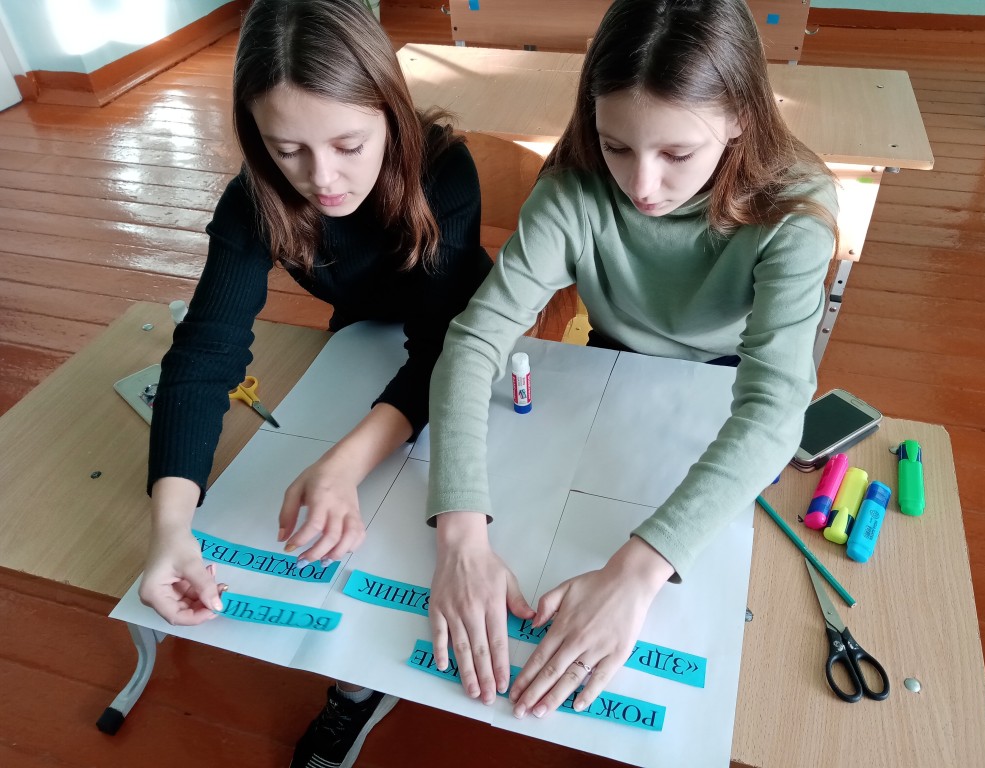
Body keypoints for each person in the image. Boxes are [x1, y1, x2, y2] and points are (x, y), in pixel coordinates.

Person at [426, 0, 838, 722]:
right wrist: (460, 534)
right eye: (616, 146)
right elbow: (475, 340)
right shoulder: (575, 185)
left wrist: (638, 572)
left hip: (726, 380)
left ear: (741, 118)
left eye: (676, 154)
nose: (642, 186)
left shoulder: (794, 207)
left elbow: (774, 407)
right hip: (612, 360)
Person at [137, 1, 491, 766]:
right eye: (287, 149)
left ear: (391, 112)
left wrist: (344, 462)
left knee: (433, 523)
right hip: (359, 337)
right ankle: (356, 686)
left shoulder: (444, 171)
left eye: (349, 145)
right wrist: (170, 529)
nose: (322, 179)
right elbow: (204, 354)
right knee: (361, 547)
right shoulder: (255, 198)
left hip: (465, 336)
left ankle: (367, 683)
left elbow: (444, 346)